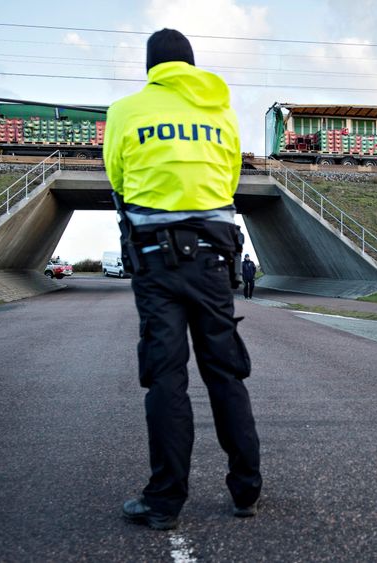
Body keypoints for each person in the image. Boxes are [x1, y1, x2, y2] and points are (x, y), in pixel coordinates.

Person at [103, 28, 262, 531]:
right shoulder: (221, 112)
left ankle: (164, 502)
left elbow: (118, 179)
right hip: (215, 259)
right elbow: (230, 179)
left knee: (166, 378)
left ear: (151, 67)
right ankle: (246, 490)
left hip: (156, 262)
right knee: (225, 371)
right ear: (191, 65)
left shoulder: (126, 110)